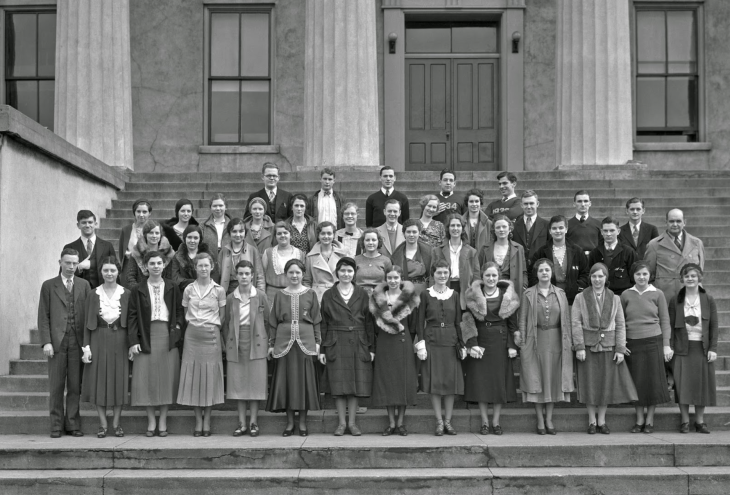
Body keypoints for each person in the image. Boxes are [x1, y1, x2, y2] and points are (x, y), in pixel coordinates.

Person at [572, 263, 638, 435]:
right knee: (590, 384)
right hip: (588, 346)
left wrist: (620, 348)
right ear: (590, 278)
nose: (597, 279)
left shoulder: (614, 298)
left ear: (606, 278)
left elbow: (621, 324)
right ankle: (591, 420)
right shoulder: (581, 297)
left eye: (601, 276)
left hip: (609, 346)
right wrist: (579, 346)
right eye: (594, 276)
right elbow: (576, 323)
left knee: (605, 385)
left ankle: (602, 420)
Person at [128, 251, 184, 437]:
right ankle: (151, 420)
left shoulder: (173, 286)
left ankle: (163, 420)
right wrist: (133, 341)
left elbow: (178, 311)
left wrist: (176, 330)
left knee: (166, 378)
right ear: (145, 266)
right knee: (147, 379)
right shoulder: (138, 289)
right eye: (152, 263)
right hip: (146, 334)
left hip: (167, 336)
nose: (156, 266)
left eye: (159, 263)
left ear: (164, 265)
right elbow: (133, 317)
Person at [516, 258, 573, 435]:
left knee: (552, 379)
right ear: (537, 273)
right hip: (536, 340)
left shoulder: (561, 294)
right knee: (536, 378)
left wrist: (569, 342)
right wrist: (524, 343)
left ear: (552, 272)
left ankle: (549, 419)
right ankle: (540, 421)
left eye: (547, 270)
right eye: (541, 270)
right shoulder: (528, 295)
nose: (544, 273)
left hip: (556, 341)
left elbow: (566, 321)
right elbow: (523, 320)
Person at [38, 248, 91, 438]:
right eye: (67, 262)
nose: (71, 267)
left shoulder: (84, 285)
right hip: (57, 342)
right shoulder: (48, 286)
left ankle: (73, 424)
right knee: (56, 385)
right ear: (59, 262)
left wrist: (87, 344)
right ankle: (55, 426)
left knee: (75, 386)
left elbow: (88, 316)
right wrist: (46, 342)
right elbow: (43, 316)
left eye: (74, 263)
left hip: (77, 342)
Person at [461, 262, 519, 435]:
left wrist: (512, 345)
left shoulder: (508, 296)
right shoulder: (472, 296)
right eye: (488, 275)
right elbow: (467, 321)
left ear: (498, 277)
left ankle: (496, 422)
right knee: (482, 382)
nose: (491, 279)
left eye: (494, 275)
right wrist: (472, 344)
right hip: (480, 341)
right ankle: (485, 422)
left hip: (500, 342)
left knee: (499, 382)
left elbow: (513, 325)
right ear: (482, 277)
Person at [319, 257, 375, 436]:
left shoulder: (362, 293)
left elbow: (369, 322)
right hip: (336, 341)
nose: (346, 274)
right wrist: (322, 349)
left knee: (355, 384)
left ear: (354, 273)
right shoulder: (329, 294)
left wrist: (371, 347)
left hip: (358, 341)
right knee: (339, 385)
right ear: (337, 272)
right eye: (342, 270)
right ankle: (341, 424)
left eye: (349, 271)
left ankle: (352, 423)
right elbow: (323, 323)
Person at [266, 259, 322, 436]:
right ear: (286, 274)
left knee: (303, 382)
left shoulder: (311, 293)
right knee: (287, 382)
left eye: (298, 272)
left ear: (303, 274)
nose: (294, 275)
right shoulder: (280, 295)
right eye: (291, 272)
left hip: (305, 342)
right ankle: (290, 423)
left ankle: (303, 423)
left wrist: (318, 342)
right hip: (284, 343)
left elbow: (317, 320)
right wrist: (271, 344)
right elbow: (273, 322)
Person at [177, 253, 227, 437]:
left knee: (209, 378)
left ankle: (208, 420)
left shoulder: (219, 290)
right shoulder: (188, 289)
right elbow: (185, 312)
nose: (203, 269)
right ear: (195, 267)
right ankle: (198, 420)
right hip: (192, 336)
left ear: (212, 266)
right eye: (200, 266)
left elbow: (222, 316)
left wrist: (210, 326)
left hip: (211, 335)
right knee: (194, 377)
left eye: (206, 265)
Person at [81, 257, 131, 438]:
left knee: (119, 381)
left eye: (112, 270)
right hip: (98, 338)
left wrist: (133, 345)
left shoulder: (127, 294)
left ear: (118, 272)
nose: (109, 274)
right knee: (98, 381)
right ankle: (102, 424)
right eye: (106, 270)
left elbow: (132, 323)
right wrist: (86, 348)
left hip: (120, 340)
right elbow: (87, 323)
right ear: (101, 272)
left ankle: (117, 423)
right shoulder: (93, 294)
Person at [415, 260, 466, 436]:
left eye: (445, 273)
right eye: (439, 273)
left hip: (450, 341)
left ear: (449, 274)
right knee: (435, 382)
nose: (442, 276)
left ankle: (448, 422)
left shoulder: (455, 295)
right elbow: (419, 320)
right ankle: (438, 421)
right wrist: (421, 343)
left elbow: (459, 321)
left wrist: (462, 343)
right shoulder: (425, 295)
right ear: (433, 275)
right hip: (432, 340)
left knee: (450, 383)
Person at [620, 260, 672, 433]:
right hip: (633, 343)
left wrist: (666, 346)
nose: (641, 277)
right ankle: (639, 419)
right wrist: (621, 343)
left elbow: (665, 320)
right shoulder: (626, 295)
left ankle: (649, 420)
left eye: (644, 274)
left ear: (650, 276)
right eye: (638, 274)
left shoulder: (658, 294)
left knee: (653, 383)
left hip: (653, 341)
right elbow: (620, 322)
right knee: (637, 383)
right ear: (633, 276)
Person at [369, 266, 420, 436]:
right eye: (389, 278)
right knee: (387, 383)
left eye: (396, 278)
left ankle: (400, 423)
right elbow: (373, 323)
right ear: (385, 279)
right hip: (384, 342)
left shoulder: (409, 298)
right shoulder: (378, 298)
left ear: (401, 279)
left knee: (402, 382)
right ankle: (391, 423)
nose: (392, 281)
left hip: (403, 342)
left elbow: (413, 325)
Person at [222, 260, 270, 437]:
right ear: (236, 275)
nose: (243, 277)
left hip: (256, 341)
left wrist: (268, 342)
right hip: (236, 342)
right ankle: (241, 423)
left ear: (252, 276)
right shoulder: (230, 298)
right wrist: (227, 342)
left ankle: (253, 423)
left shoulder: (261, 296)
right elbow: (226, 322)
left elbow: (268, 320)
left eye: (247, 274)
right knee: (239, 384)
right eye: (240, 273)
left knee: (255, 384)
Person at [668, 263, 718, 434]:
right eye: (687, 276)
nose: (690, 279)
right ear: (682, 278)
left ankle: (700, 421)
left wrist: (713, 348)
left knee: (700, 385)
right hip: (682, 348)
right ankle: (684, 422)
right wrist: (670, 347)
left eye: (693, 276)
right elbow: (670, 326)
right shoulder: (675, 300)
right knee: (682, 385)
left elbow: (714, 326)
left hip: (701, 348)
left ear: (699, 278)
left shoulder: (708, 299)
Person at [645, 208, 705, 304]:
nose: (675, 224)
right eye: (671, 221)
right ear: (666, 222)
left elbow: (700, 269)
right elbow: (649, 273)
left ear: (684, 222)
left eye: (678, 221)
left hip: (690, 293)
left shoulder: (697, 243)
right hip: (665, 295)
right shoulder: (654, 244)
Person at [530, 215, 589, 305]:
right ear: (550, 231)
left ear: (566, 229)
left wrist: (576, 288)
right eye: (554, 228)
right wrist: (542, 289)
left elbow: (585, 273)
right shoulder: (541, 252)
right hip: (548, 299)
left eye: (561, 228)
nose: (558, 231)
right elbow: (532, 273)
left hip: (572, 299)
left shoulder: (577, 251)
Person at [63, 210, 117, 289]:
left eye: (90, 222)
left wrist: (92, 264)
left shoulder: (107, 246)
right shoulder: (69, 247)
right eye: (84, 222)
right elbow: (63, 275)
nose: (87, 225)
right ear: (78, 225)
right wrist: (79, 267)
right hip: (78, 293)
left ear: (95, 224)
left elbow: (115, 271)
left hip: (102, 292)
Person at [432, 214, 479, 304]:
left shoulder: (472, 251)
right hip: (444, 286)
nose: (455, 228)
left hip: (465, 288)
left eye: (458, 225)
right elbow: (432, 275)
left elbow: (476, 276)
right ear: (448, 228)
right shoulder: (437, 251)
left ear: (462, 228)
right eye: (452, 225)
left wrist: (475, 294)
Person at [477, 214, 528, 298]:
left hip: (512, 291)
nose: (501, 230)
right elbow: (479, 270)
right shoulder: (485, 248)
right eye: (498, 227)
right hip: (489, 291)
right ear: (494, 230)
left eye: (504, 226)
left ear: (510, 228)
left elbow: (523, 271)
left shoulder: (519, 248)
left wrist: (524, 286)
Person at [588, 217, 638, 296]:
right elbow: (589, 276)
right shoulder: (594, 253)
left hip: (623, 296)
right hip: (600, 296)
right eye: (605, 231)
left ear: (618, 231)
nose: (608, 234)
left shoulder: (629, 252)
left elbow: (635, 276)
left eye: (612, 230)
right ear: (601, 232)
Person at [218, 218, 265, 295]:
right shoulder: (224, 251)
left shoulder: (252, 250)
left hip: (249, 290)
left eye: (241, 231)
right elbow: (219, 274)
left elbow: (260, 276)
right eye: (234, 231)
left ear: (245, 232)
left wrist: (261, 295)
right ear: (229, 233)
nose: (238, 235)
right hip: (228, 291)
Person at [262, 222, 305, 305]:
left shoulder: (299, 253)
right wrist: (263, 296)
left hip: (294, 293)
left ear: (291, 235)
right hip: (272, 295)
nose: (282, 235)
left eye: (285, 233)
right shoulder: (268, 253)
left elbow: (304, 277)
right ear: (275, 236)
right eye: (279, 233)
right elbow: (262, 276)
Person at [303, 221, 348, 302]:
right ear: (318, 235)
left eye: (329, 233)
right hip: (318, 297)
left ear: (334, 235)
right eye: (323, 233)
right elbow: (307, 281)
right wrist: (309, 299)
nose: (326, 236)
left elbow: (348, 278)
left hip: (339, 295)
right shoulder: (310, 256)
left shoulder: (343, 254)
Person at [124, 220, 175, 290]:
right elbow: (130, 277)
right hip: (140, 294)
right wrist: (139, 291)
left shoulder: (168, 253)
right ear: (145, 234)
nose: (154, 236)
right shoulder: (136, 252)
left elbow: (171, 277)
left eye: (157, 233)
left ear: (160, 235)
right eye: (151, 233)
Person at [171, 225, 219, 292]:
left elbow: (215, 275)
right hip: (184, 293)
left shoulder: (208, 255)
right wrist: (194, 283)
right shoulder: (177, 257)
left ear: (200, 239)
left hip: (206, 293)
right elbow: (175, 278)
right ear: (185, 238)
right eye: (189, 237)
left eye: (195, 238)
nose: (192, 241)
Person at [391, 219, 433, 295]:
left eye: (414, 232)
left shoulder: (429, 252)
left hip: (424, 293)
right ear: (404, 233)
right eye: (408, 232)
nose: (411, 235)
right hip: (403, 294)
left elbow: (433, 275)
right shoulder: (396, 255)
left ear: (419, 233)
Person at [512, 190, 549, 273]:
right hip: (519, 269)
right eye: (525, 204)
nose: (528, 206)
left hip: (540, 270)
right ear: (521, 205)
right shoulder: (514, 226)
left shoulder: (547, 225)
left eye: (531, 203)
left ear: (537, 204)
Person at [119, 199, 152, 287]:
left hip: (148, 268)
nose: (141, 215)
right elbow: (121, 251)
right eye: (138, 211)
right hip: (129, 268)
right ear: (134, 213)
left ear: (150, 213)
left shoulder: (154, 230)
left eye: (144, 212)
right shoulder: (126, 230)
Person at [354, 229, 393, 295]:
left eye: (374, 240)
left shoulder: (386, 261)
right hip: (359, 296)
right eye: (367, 240)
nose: (370, 243)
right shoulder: (356, 260)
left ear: (379, 242)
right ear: (363, 242)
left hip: (380, 297)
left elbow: (390, 282)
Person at [567, 190, 602, 256]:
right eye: (579, 201)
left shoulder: (598, 224)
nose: (583, 204)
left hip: (593, 260)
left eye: (585, 201)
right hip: (575, 260)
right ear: (574, 204)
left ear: (590, 203)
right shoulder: (567, 225)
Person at [461, 188, 492, 254]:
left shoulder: (488, 223)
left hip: (482, 259)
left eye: (477, 201)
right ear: (467, 203)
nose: (474, 204)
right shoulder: (460, 222)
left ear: (480, 202)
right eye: (471, 201)